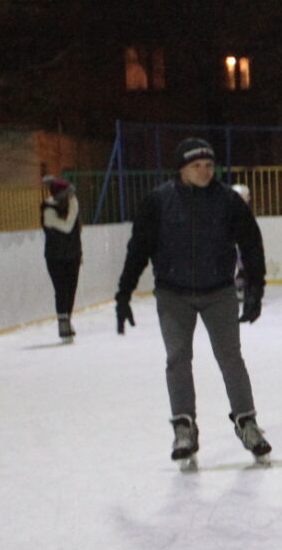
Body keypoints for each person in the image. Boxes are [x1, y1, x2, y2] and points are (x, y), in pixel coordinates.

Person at [114, 138, 270, 467]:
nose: (204, 171)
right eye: (196, 166)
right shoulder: (158, 202)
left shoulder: (228, 201)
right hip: (173, 294)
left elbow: (251, 244)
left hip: (219, 292)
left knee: (230, 357)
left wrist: (255, 289)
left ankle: (247, 423)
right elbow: (138, 248)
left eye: (209, 166)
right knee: (177, 358)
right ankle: (184, 426)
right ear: (181, 169)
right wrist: (124, 293)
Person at [41, 175, 83, 340]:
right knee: (61, 289)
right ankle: (62, 321)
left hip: (73, 255)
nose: (72, 197)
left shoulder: (70, 204)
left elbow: (74, 231)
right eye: (69, 194)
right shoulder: (48, 211)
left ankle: (67, 320)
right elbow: (67, 227)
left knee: (70, 290)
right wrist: (73, 205)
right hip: (55, 256)